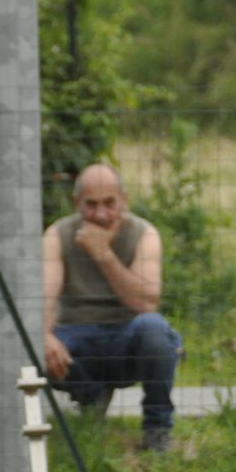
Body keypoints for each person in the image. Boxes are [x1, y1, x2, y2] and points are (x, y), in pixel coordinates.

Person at [42, 163, 182, 452]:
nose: (101, 214)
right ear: (76, 203)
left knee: (154, 328)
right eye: (91, 205)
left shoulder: (144, 233)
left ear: (124, 201)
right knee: (30, 342)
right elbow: (44, 298)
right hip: (75, 338)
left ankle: (157, 430)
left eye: (109, 204)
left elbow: (145, 302)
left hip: (126, 338)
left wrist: (102, 253)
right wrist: (44, 335)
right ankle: (91, 397)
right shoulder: (57, 235)